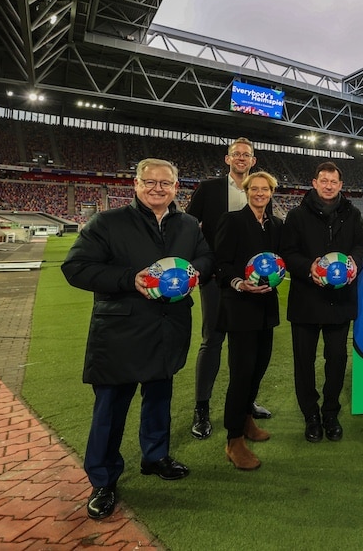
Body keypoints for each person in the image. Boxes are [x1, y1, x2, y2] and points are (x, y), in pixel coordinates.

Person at [62, 158, 214, 520]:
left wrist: (194, 273)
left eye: (166, 183)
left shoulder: (189, 225)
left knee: (159, 396)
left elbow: (207, 259)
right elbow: (76, 268)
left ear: (177, 188)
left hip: (168, 327)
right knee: (111, 407)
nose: (158, 188)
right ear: (136, 184)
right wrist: (131, 279)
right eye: (150, 182)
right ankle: (103, 478)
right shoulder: (108, 222)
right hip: (121, 330)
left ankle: (155, 456)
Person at [187, 137, 273, 440]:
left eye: (246, 155)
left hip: (251, 284)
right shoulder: (209, 189)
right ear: (227, 159)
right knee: (212, 340)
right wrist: (200, 264)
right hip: (217, 278)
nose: (241, 158)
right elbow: (187, 225)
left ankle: (245, 406)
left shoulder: (260, 191)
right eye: (236, 154)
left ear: (253, 159)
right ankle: (202, 408)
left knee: (249, 347)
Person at [281, 161, 363, 443]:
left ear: (340, 185)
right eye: (324, 180)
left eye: (334, 181)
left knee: (337, 360)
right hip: (307, 300)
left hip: (339, 301)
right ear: (315, 182)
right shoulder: (296, 216)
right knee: (303, 362)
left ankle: (330, 413)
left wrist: (354, 262)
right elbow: (287, 253)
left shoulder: (352, 214)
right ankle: (311, 415)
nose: (329, 185)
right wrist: (311, 268)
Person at [213, 171, 284, 470]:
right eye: (254, 189)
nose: (259, 193)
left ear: (271, 192)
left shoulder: (276, 225)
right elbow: (221, 263)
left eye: (264, 189)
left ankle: (246, 421)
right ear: (246, 191)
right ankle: (233, 440)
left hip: (267, 308)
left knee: (258, 369)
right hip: (240, 307)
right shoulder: (232, 220)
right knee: (241, 373)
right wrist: (240, 283)